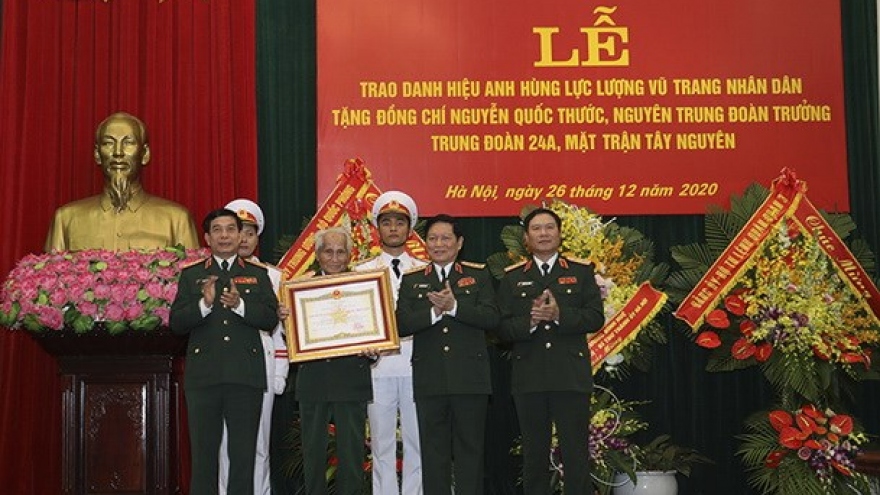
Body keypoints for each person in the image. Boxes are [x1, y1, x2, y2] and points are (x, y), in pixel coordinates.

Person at [496, 207, 605, 495]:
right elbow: (501, 329)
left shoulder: (581, 271)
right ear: (526, 238)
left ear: (559, 234)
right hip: (529, 376)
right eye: (536, 229)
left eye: (549, 228)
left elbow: (596, 318)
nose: (543, 234)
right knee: (534, 455)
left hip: (570, 376)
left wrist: (560, 315)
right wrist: (529, 322)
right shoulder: (512, 277)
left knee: (575, 453)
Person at [170, 208, 279, 495]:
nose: (224, 235)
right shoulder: (192, 275)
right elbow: (177, 323)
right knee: (204, 458)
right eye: (217, 230)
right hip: (204, 378)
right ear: (207, 238)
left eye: (231, 229)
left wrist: (240, 305)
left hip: (245, 377)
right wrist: (204, 305)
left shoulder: (258, 274)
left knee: (243, 457)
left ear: (240, 235)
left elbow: (270, 319)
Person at [395, 214, 500, 495]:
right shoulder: (413, 279)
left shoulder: (478, 275)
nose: (438, 244)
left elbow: (492, 318)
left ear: (459, 242)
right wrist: (434, 312)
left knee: (470, 452)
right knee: (433, 454)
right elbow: (400, 324)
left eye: (445, 238)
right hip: (430, 379)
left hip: (470, 380)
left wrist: (454, 307)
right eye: (432, 238)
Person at [354, 191, 427, 495]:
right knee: (381, 445)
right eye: (387, 222)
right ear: (377, 228)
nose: (393, 228)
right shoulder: (361, 272)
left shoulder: (424, 269)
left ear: (410, 228)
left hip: (417, 366)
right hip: (378, 367)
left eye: (400, 222)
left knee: (417, 442)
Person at [44, 112, 199, 252]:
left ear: (145, 154)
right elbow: (49, 273)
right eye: (108, 143)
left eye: (128, 143)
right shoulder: (66, 219)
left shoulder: (177, 220)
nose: (118, 152)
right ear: (97, 154)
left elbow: (193, 274)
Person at [217, 199, 289, 495]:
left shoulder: (273, 276)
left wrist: (280, 372)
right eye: (240, 231)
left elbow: (281, 330)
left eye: (250, 233)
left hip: (263, 362)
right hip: (224, 364)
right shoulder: (215, 271)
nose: (244, 239)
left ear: (258, 238)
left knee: (259, 441)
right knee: (224, 441)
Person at [294, 226, 373, 495]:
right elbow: (291, 338)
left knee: (352, 456)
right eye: (329, 252)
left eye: (341, 252)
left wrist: (372, 348)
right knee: (313, 455)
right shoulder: (300, 288)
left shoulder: (363, 288)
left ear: (350, 256)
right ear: (318, 255)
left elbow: (375, 333)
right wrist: (287, 319)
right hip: (313, 380)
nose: (335, 258)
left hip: (351, 379)